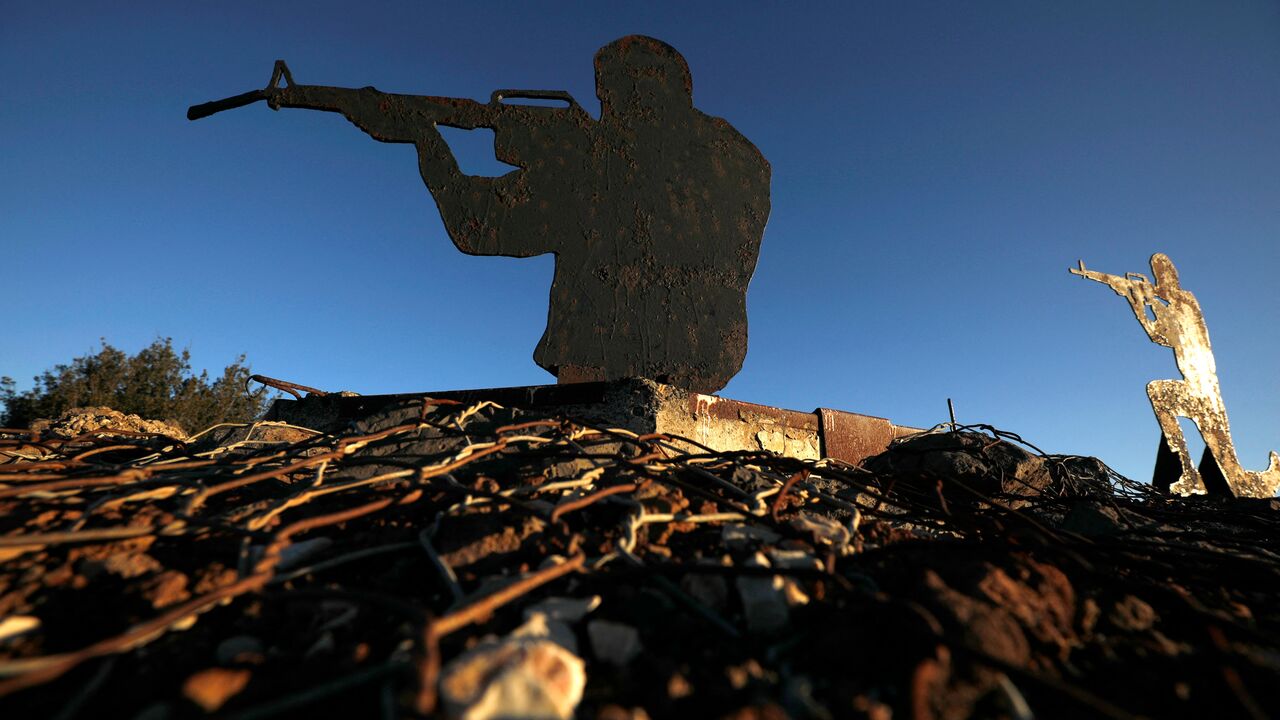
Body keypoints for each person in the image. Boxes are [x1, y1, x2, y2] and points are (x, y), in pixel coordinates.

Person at [259, 36, 771, 393]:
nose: (602, 104)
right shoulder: (743, 160)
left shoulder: (597, 161)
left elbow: (476, 226)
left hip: (596, 371)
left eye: (607, 92)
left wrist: (424, 140)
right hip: (706, 361)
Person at [1073, 253, 1280, 496]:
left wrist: (1149, 302)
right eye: (1157, 277)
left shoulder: (1186, 303)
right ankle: (1188, 474)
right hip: (1195, 385)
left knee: (1226, 462)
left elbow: (1169, 332)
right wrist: (1138, 304)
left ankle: (1246, 479)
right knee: (1159, 393)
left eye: (1163, 277)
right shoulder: (1173, 305)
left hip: (1204, 387)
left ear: (1173, 278)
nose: (1160, 282)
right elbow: (1157, 335)